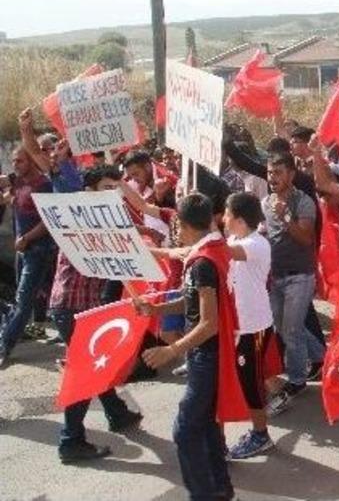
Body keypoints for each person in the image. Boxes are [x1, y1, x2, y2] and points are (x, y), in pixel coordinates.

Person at [135, 193, 242, 501]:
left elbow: (209, 322)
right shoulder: (211, 249)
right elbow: (191, 301)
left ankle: (204, 494)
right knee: (206, 424)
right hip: (208, 353)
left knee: (185, 430)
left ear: (181, 224)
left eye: (177, 224)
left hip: (206, 354)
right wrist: (155, 310)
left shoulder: (202, 263)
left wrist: (171, 350)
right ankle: (220, 489)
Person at [50, 165, 143, 463]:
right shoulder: (82, 216)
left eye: (116, 187)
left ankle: (116, 412)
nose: (113, 193)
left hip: (79, 307)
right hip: (72, 307)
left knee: (96, 363)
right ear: (89, 191)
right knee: (86, 373)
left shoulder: (98, 217)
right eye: (106, 187)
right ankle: (71, 441)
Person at [262, 154, 325, 416]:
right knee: (287, 327)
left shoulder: (304, 202)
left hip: (300, 276)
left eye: (277, 172)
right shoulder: (265, 202)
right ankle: (323, 355)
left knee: (290, 330)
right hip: (275, 275)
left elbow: (305, 238)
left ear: (290, 174)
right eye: (269, 173)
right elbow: (268, 233)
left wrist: (286, 217)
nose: (272, 178)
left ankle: (297, 380)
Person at [220, 192, 276, 460]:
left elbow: (221, 251)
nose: (223, 218)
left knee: (250, 384)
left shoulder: (257, 244)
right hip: (239, 326)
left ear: (240, 220)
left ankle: (261, 434)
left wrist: (200, 230)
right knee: (248, 380)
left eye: (227, 214)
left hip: (254, 326)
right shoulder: (235, 238)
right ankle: (268, 405)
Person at [0, 145, 55, 367]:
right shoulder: (18, 182)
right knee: (24, 297)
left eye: (20, 161)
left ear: (32, 161)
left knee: (23, 301)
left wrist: (27, 238)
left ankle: (5, 346)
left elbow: (48, 221)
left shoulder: (44, 185)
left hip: (38, 250)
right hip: (22, 250)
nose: (15, 165)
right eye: (13, 161)